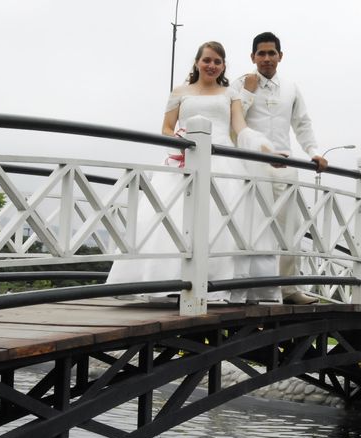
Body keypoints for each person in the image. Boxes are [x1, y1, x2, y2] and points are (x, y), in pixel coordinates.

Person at [107, 41, 279, 303]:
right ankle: (165, 281)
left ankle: (214, 283)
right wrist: (180, 139)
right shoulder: (180, 91)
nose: (211, 65)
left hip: (221, 161)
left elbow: (240, 127)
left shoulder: (229, 94)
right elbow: (166, 127)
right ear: (198, 62)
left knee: (220, 219)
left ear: (223, 66)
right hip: (184, 159)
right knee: (168, 218)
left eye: (217, 61)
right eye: (207, 60)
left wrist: (266, 150)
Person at [231, 32, 328, 305]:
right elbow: (234, 121)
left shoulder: (291, 87)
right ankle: (249, 289)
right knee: (250, 228)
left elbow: (302, 124)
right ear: (252, 57)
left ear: (280, 56)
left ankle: (288, 289)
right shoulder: (241, 83)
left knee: (291, 228)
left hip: (286, 165)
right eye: (260, 54)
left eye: (271, 53)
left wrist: (314, 152)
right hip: (251, 165)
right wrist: (249, 90)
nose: (266, 59)